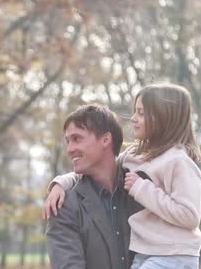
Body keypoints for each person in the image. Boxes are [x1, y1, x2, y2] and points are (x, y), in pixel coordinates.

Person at [44, 84, 201, 269]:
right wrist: (60, 183)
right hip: (146, 255)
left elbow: (190, 215)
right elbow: (111, 166)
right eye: (68, 141)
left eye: (77, 139)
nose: (133, 118)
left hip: (173, 255)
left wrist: (142, 188)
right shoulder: (135, 156)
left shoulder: (174, 163)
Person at [45, 104, 142, 269]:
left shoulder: (143, 190)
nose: (69, 149)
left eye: (77, 138)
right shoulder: (63, 207)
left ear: (105, 140)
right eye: (68, 141)